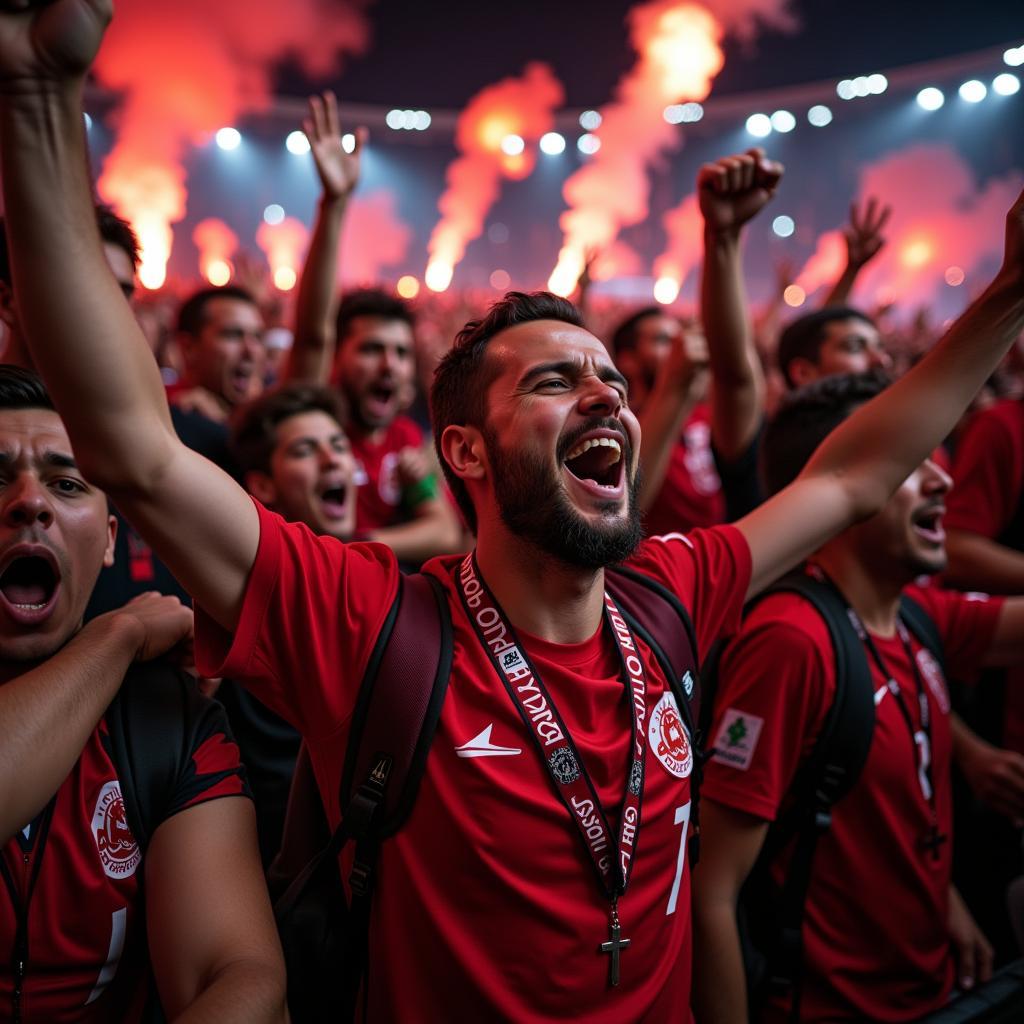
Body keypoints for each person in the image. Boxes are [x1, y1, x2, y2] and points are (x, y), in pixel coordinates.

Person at [3, 5, 1024, 1016]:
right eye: (552, 382)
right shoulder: (375, 627)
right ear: (465, 450)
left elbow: (849, 478)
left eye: (611, 379)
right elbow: (135, 450)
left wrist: (1007, 293)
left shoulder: (671, 591)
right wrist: (41, 97)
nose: (606, 395)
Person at [692, 371, 1024, 1022]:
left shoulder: (912, 614)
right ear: (841, 494)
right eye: (911, 463)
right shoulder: (792, 642)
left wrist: (945, 902)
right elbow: (712, 894)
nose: (943, 482)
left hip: (933, 991)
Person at [0, 366, 285, 1022]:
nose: (28, 502)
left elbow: (243, 977)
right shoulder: (122, 642)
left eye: (67, 483)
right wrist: (120, 634)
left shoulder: (170, 722)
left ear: (107, 541)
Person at [278, 100, 461, 560]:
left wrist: (349, 550)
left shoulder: (405, 440)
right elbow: (312, 335)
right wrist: (334, 204)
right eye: (372, 349)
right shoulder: (313, 428)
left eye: (401, 353)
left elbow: (444, 533)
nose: (391, 365)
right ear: (338, 355)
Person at [222, 381, 357, 864]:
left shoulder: (404, 587)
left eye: (339, 446)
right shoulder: (240, 607)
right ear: (262, 486)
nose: (331, 460)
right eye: (305, 450)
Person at [610, 307, 723, 534]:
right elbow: (625, 506)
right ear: (628, 360)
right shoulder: (618, 428)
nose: (680, 349)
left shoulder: (701, 413)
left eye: (679, 339)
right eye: (663, 340)